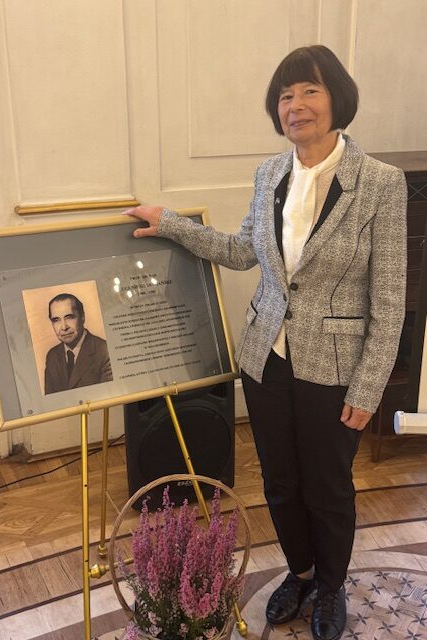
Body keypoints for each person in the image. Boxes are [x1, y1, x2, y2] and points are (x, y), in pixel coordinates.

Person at [123, 45, 407, 640]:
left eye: (309, 91)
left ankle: (330, 586)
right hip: (266, 359)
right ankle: (299, 574)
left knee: (328, 486)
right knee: (279, 480)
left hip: (336, 369)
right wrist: (170, 223)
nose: (295, 105)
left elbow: (389, 298)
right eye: (285, 96)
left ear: (337, 98)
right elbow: (239, 250)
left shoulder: (381, 183)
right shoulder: (269, 174)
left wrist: (369, 386)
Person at [44, 293, 113, 394]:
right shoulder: (52, 355)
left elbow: (108, 395)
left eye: (69, 317)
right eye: (56, 320)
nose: (64, 327)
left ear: (82, 317)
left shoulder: (104, 351)